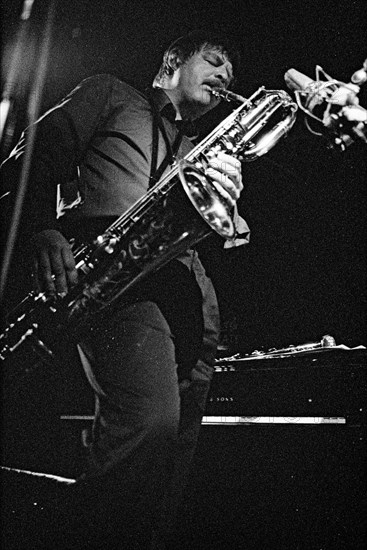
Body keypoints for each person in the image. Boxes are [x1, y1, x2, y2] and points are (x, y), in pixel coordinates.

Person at [1, 30, 250, 549]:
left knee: (175, 459)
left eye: (231, 70)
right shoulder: (110, 93)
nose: (226, 75)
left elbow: (217, 229)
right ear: (173, 62)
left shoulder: (202, 147)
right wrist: (41, 229)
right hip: (119, 279)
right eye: (215, 59)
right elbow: (32, 153)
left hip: (189, 294)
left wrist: (229, 210)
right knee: (149, 422)